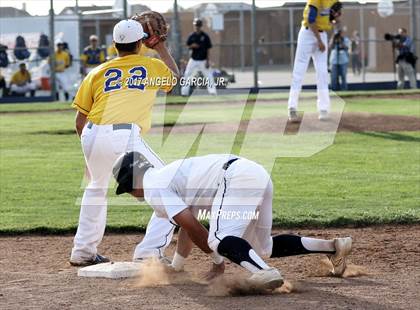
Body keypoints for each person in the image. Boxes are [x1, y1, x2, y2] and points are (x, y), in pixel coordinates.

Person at [113, 151, 353, 289]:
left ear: (133, 180)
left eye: (127, 188)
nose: (132, 194)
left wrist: (217, 262)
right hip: (255, 173)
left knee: (218, 240)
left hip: (235, 178)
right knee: (261, 247)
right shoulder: (167, 175)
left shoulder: (154, 187)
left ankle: (264, 272)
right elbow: (188, 227)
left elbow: (193, 227)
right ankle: (333, 247)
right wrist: (177, 266)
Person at [69, 19, 180, 266]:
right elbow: (175, 80)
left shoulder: (96, 72)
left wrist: (91, 155)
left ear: (114, 44)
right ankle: (149, 252)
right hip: (123, 135)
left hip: (91, 133)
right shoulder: (151, 65)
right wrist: (160, 47)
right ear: (141, 43)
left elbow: (79, 122)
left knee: (96, 188)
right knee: (170, 187)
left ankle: (83, 251)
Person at [288, 1, 342, 122]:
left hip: (322, 34)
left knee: (322, 73)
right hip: (307, 34)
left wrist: (335, 20)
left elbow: (331, 19)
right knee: (299, 71)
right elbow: (311, 19)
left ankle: (323, 109)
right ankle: (292, 108)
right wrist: (319, 41)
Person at [181, 18, 217, 96]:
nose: (197, 27)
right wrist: (192, 45)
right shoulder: (192, 36)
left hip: (203, 60)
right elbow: (187, 46)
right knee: (187, 74)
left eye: (198, 25)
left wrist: (208, 61)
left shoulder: (205, 36)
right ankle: (184, 92)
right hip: (193, 59)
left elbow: (208, 49)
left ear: (201, 26)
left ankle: (212, 92)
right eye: (196, 25)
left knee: (208, 75)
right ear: (194, 26)